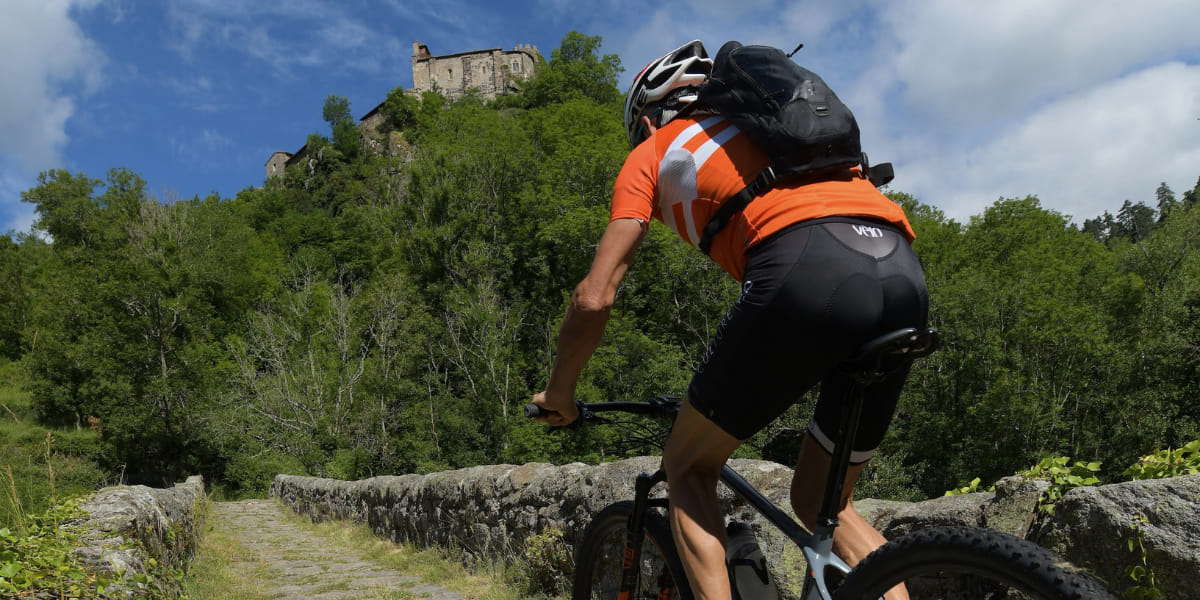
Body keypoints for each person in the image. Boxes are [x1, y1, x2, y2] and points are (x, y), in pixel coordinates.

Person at [531, 39, 927, 600]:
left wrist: (560, 392)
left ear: (648, 120)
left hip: (806, 270)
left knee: (688, 467)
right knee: (825, 504)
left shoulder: (654, 150)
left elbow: (594, 297)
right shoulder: (775, 137)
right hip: (901, 267)